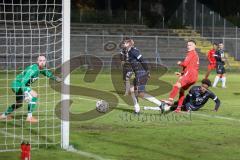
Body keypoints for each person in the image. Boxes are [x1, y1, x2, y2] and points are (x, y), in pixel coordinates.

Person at [0, 54, 61, 123]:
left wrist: (57, 78)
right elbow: (23, 82)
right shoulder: (33, 70)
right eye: (40, 60)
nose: (42, 62)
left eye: (44, 60)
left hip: (20, 85)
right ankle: (29, 117)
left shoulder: (42, 69)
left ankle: (3, 116)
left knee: (19, 104)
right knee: (34, 95)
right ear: (37, 61)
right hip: (18, 85)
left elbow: (48, 74)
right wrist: (26, 93)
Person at [122, 37, 165, 113]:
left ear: (128, 44)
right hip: (137, 73)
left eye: (124, 43)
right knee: (132, 90)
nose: (123, 44)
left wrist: (147, 71)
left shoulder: (133, 51)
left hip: (141, 73)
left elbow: (143, 60)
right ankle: (137, 110)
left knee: (140, 94)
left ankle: (161, 104)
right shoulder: (127, 52)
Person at [164, 40, 199, 112]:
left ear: (194, 46)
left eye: (190, 45)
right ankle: (178, 108)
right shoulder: (195, 54)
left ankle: (170, 101)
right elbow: (190, 66)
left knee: (176, 85)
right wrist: (182, 74)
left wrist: (180, 63)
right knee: (182, 91)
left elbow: (185, 64)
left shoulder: (191, 53)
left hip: (190, 73)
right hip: (194, 76)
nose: (188, 46)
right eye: (188, 45)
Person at [145, 79, 221, 112]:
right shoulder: (194, 89)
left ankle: (149, 108)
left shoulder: (209, 93)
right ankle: (168, 103)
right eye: (202, 86)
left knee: (171, 108)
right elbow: (188, 98)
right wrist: (182, 104)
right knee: (175, 103)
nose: (203, 89)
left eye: (205, 88)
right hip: (188, 103)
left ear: (207, 88)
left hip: (193, 107)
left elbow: (218, 101)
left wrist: (215, 109)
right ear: (201, 85)